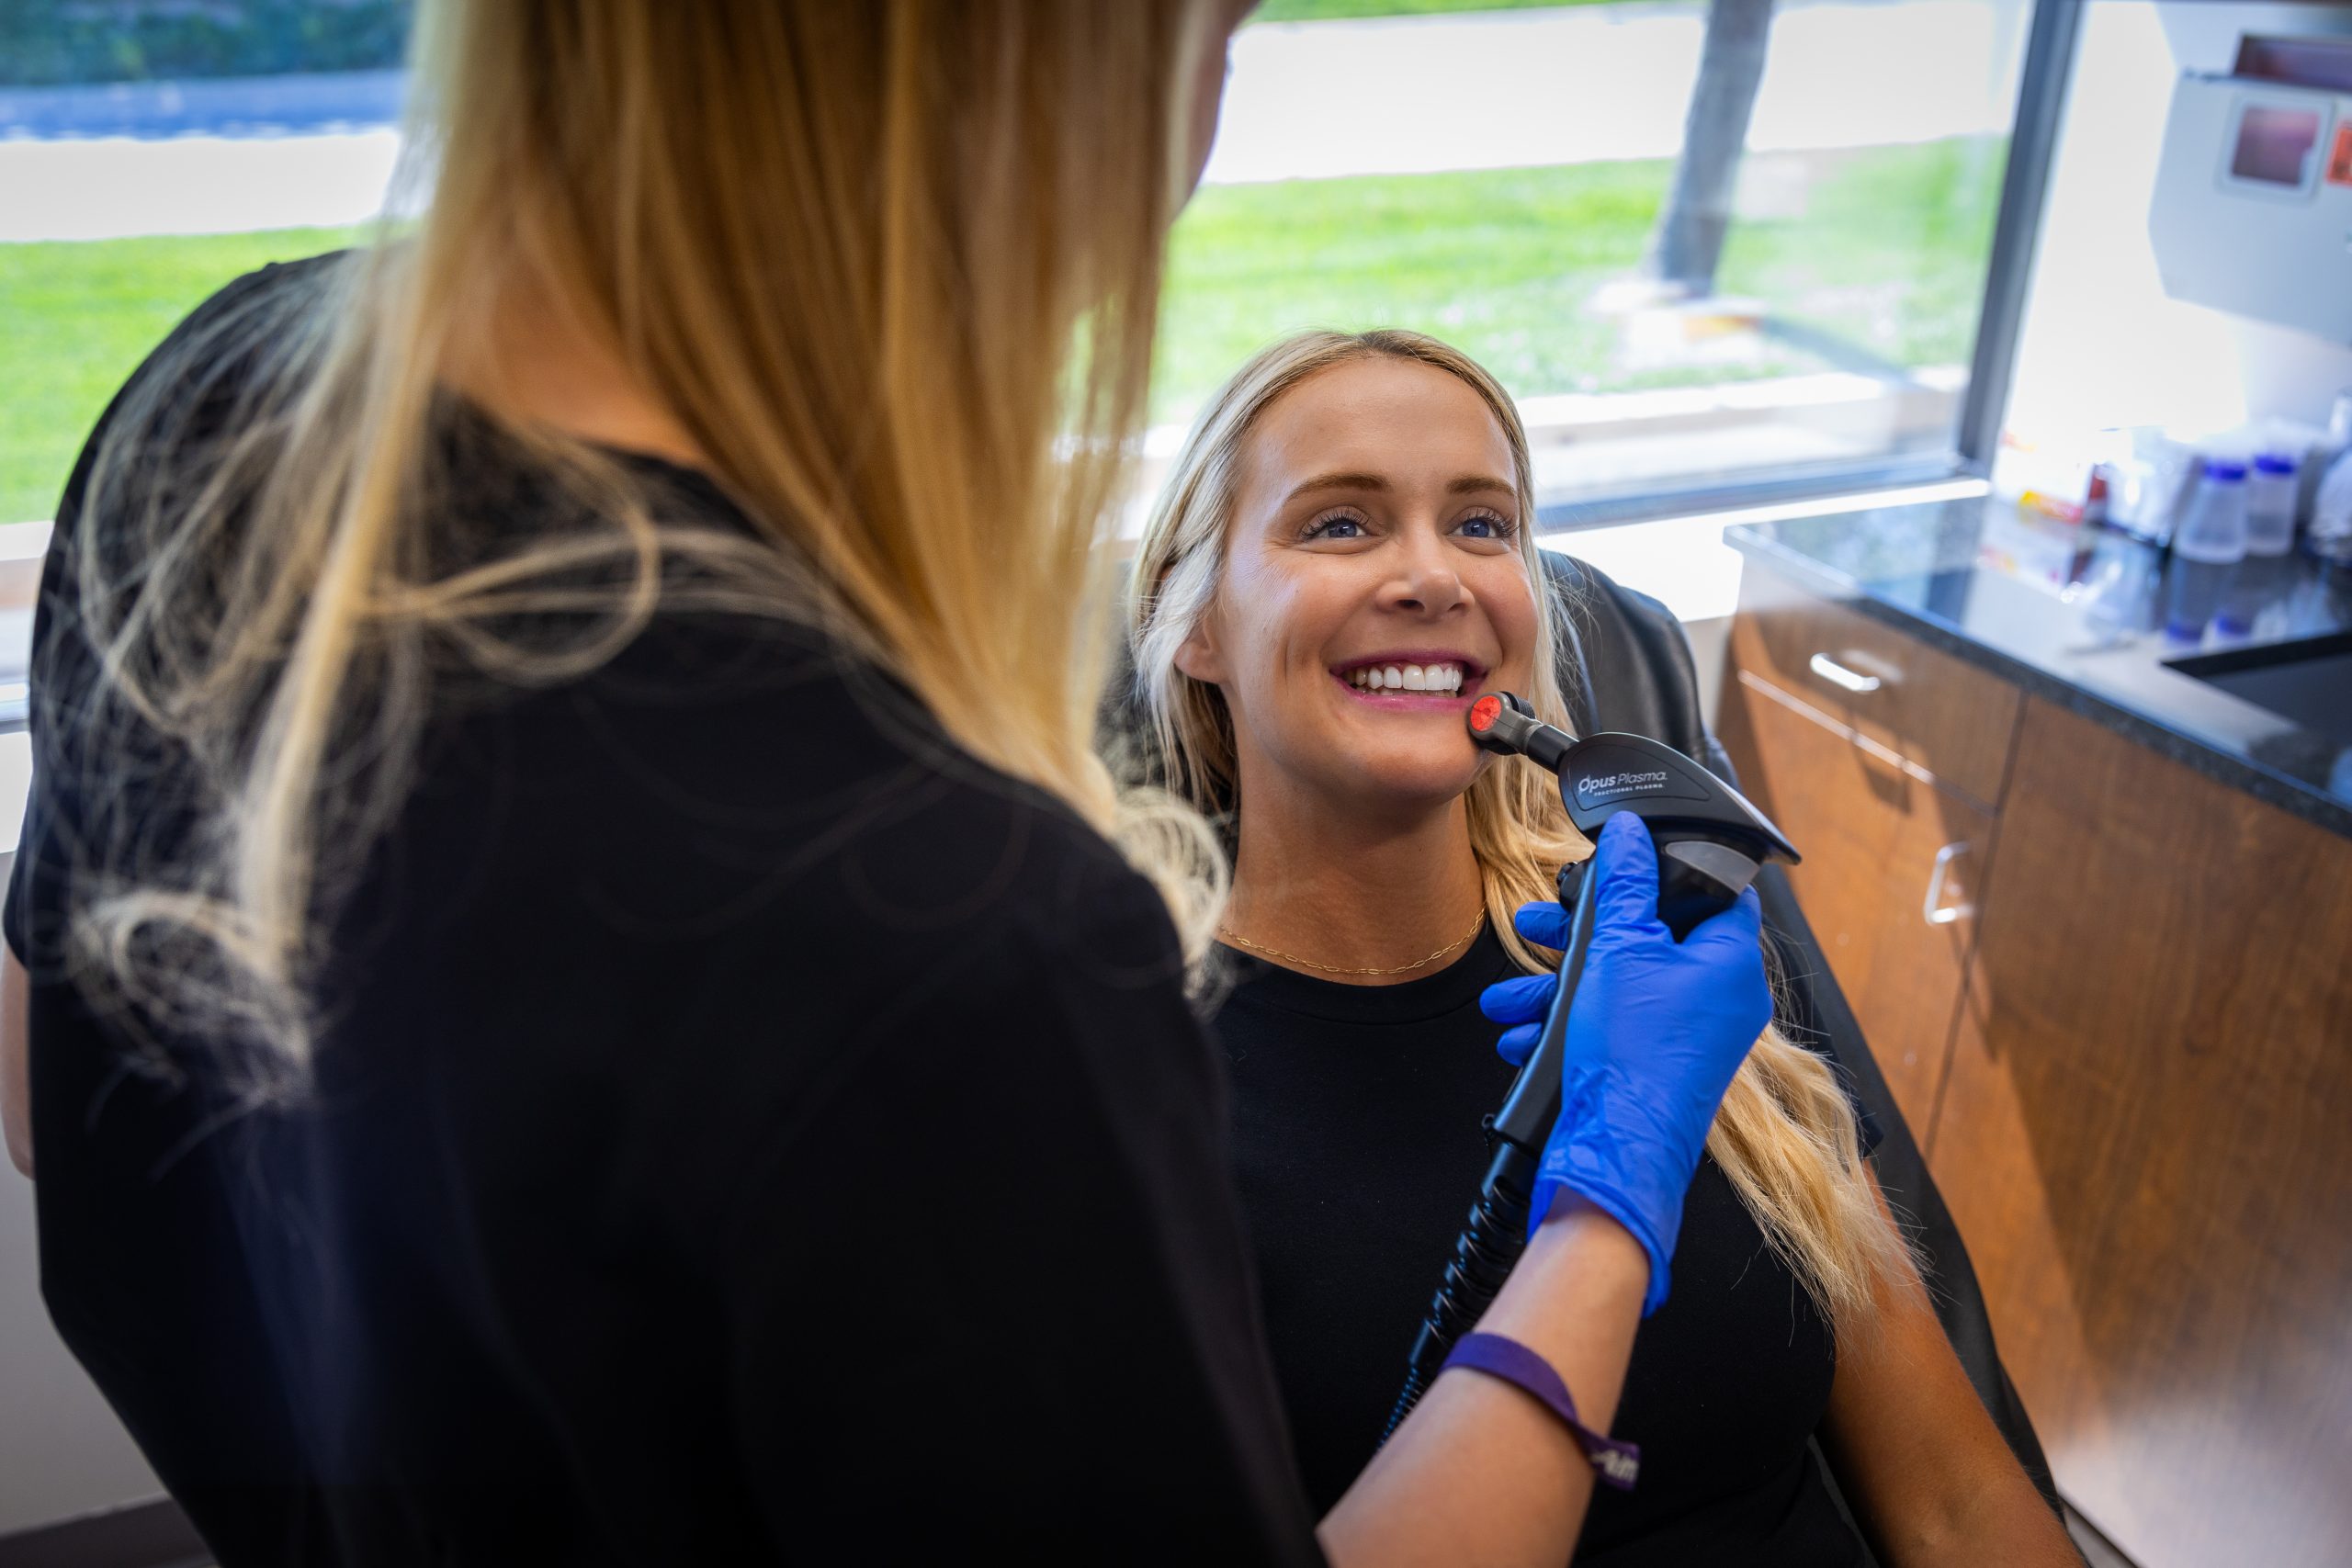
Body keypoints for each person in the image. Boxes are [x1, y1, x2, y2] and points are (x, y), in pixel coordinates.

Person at [0, 6, 1776, 1564]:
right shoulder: (955, 933)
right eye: (1213, 35)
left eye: (1485, 523)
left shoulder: (219, 406)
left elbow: (76, 1078)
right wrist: (1610, 1200)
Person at [1126, 329, 2086, 1566]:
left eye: (1483, 526)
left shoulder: (1655, 964)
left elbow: (1956, 1500)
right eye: (1341, 526)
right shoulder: (1126, 1081)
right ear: (1192, 623)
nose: (1435, 577)